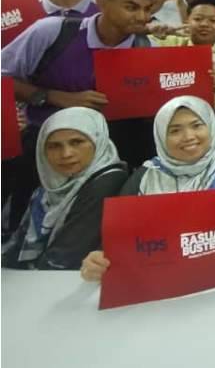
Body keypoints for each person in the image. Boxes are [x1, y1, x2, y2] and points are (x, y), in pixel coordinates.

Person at [1, 0, 158, 201]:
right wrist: (54, 96)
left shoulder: (146, 47)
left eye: (147, 9)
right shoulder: (53, 31)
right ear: (103, 1)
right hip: (47, 149)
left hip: (112, 155)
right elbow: (4, 79)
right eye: (131, 7)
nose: (142, 17)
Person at [79, 96, 215, 282]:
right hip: (159, 284)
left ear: (211, 126)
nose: (188, 136)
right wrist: (99, 261)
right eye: (174, 130)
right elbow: (118, 241)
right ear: (160, 136)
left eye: (197, 125)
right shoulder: (144, 178)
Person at [2, 108, 128, 270]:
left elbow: (65, 256)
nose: (66, 154)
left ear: (98, 141)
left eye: (76, 142)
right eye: (54, 146)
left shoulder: (108, 181)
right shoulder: (52, 184)